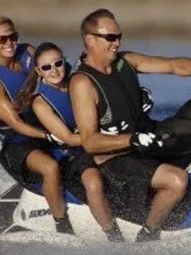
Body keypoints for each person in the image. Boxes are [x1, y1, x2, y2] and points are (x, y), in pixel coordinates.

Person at [69, 8, 191, 242]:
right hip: (117, 157)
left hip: (147, 138)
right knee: (176, 181)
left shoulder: (126, 61)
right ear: (90, 40)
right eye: (110, 38)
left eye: (119, 36)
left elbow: (173, 65)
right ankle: (148, 235)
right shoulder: (82, 82)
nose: (117, 43)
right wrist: (132, 139)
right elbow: (90, 141)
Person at [0, 15, 74, 235]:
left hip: (47, 129)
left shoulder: (27, 52)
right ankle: (62, 225)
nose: (9, 43)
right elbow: (16, 123)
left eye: (12, 36)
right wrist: (49, 136)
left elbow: (57, 72)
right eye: (1, 39)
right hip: (17, 144)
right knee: (50, 168)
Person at [16, 42, 125, 242]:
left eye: (58, 63)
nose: (54, 70)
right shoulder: (40, 102)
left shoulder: (80, 81)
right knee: (93, 183)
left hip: (102, 141)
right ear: (39, 71)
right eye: (46, 67)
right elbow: (68, 138)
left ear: (64, 61)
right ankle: (114, 236)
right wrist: (109, 138)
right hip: (73, 152)